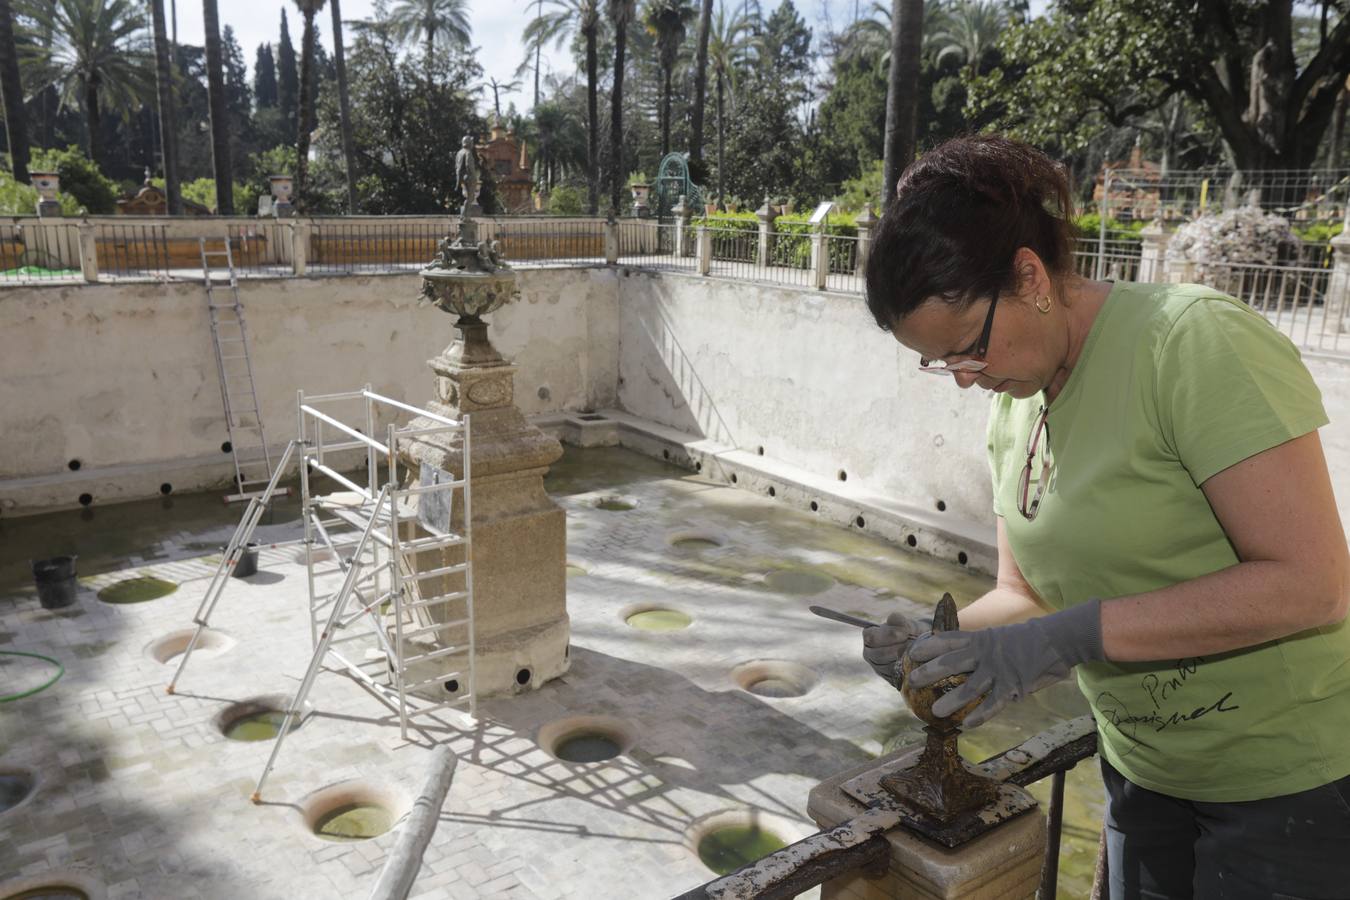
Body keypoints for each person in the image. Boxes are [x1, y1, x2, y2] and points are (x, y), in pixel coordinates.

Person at [858, 135, 1350, 899]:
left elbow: (1313, 584)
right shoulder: (1014, 410)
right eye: (940, 364)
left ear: (1030, 276)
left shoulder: (1188, 343)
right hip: (1142, 774)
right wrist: (940, 644)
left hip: (1285, 785)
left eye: (969, 348)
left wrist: (1069, 639)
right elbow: (1025, 594)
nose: (964, 380)